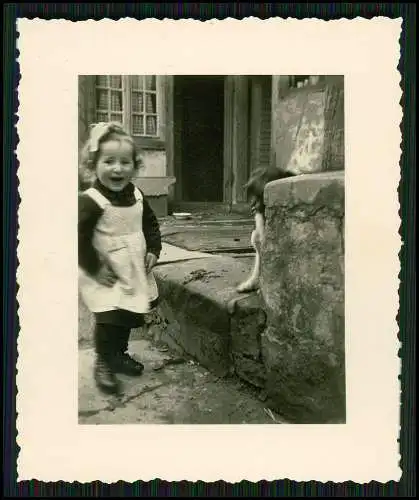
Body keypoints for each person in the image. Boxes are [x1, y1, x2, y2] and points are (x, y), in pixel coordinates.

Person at [78, 122, 162, 395]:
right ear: (94, 164)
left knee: (127, 312)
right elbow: (76, 238)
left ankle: (119, 354)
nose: (118, 168)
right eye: (109, 161)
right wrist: (94, 267)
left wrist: (153, 249)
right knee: (108, 316)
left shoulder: (137, 195)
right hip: (106, 270)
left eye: (125, 162)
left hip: (133, 266)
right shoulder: (91, 201)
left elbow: (150, 223)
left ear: (135, 166)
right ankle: (104, 360)